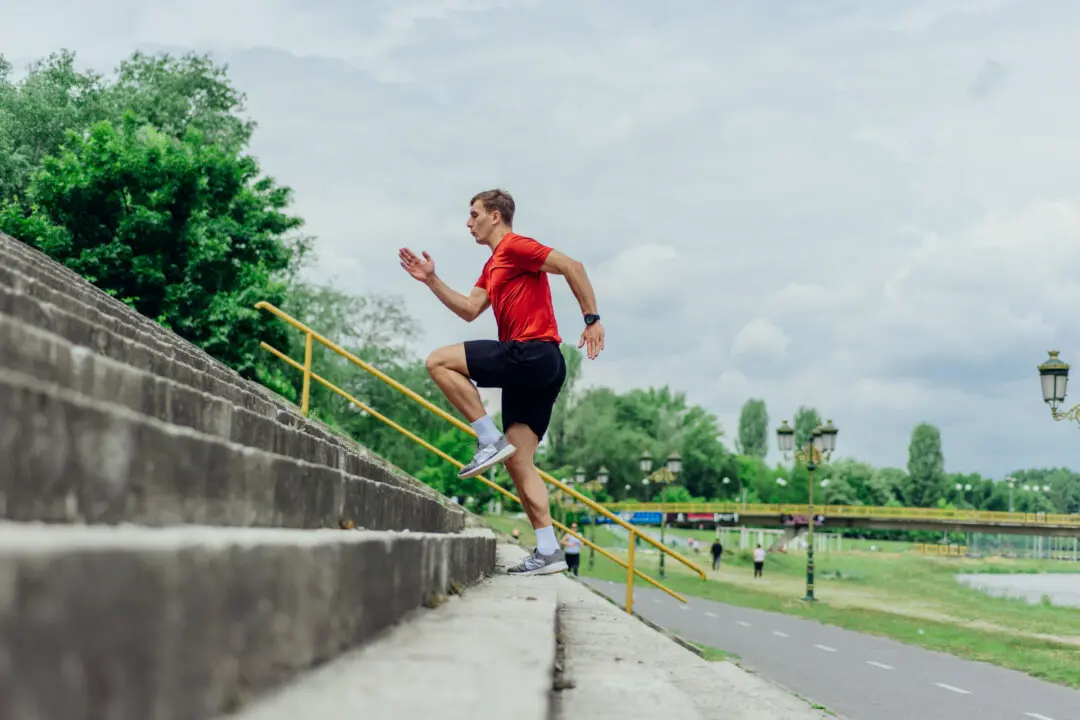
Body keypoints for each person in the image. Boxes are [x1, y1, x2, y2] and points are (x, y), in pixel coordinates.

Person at [399, 188, 605, 577]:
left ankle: (486, 438)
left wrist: (591, 318)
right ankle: (548, 550)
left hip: (530, 352)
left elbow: (572, 266)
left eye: (474, 213)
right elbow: (469, 310)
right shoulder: (493, 266)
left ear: (495, 215)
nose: (468, 221)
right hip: (543, 365)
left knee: (438, 361)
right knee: (519, 461)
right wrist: (431, 279)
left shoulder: (515, 246)